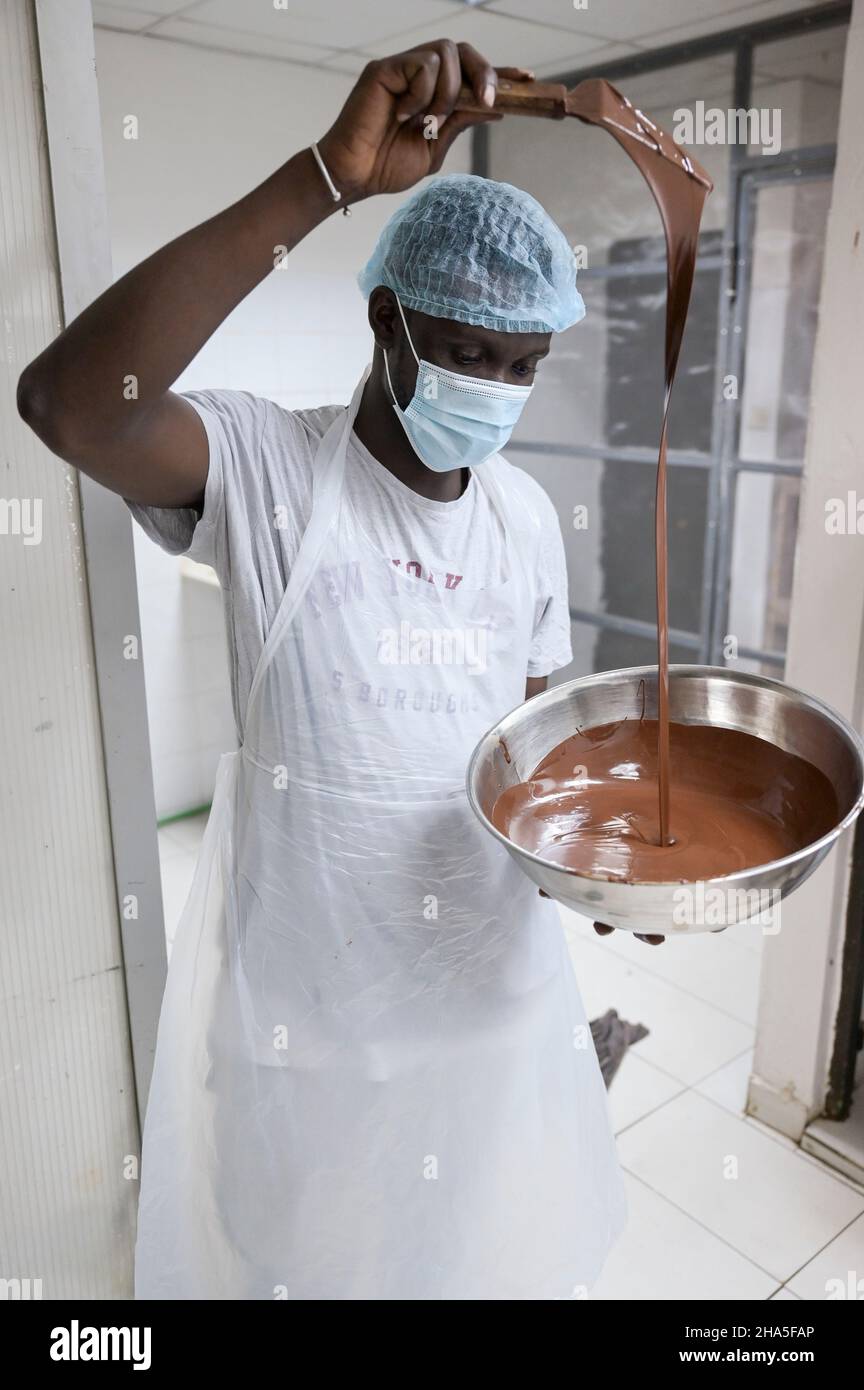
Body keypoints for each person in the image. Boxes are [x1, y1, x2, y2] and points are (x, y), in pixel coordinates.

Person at [18, 40, 657, 1301]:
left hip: (487, 1005)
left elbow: (529, 760)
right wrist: (324, 179)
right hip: (306, 1027)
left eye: (525, 368)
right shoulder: (268, 472)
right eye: (473, 352)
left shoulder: (523, 519)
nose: (499, 391)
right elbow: (73, 405)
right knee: (302, 1273)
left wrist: (603, 849)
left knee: (476, 1262)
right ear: (387, 315)